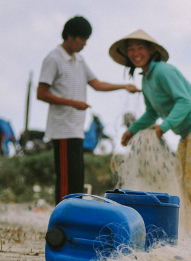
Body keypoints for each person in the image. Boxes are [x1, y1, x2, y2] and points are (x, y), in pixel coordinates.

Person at [112, 30, 191, 239]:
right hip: (187, 132)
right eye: (131, 49)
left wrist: (164, 127)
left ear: (152, 50)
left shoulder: (163, 71)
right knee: (181, 181)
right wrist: (131, 130)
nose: (135, 53)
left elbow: (184, 101)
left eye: (140, 47)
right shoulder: (146, 80)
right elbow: (152, 113)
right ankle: (189, 231)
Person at [38, 16, 139, 204]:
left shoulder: (79, 60)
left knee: (77, 179)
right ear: (70, 36)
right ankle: (62, 220)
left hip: (76, 128)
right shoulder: (54, 58)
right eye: (82, 39)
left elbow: (97, 84)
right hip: (62, 129)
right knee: (66, 181)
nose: (84, 44)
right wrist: (72, 103)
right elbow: (41, 93)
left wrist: (124, 86)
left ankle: (75, 217)